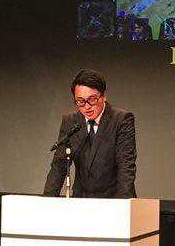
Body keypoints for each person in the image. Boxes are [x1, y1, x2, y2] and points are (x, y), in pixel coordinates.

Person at [43, 69, 137, 198]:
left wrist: (121, 205)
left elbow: (126, 167)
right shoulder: (70, 121)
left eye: (92, 100)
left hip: (113, 199)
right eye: (80, 101)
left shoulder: (121, 120)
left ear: (104, 96)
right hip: (82, 200)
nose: (86, 107)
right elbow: (59, 167)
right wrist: (46, 202)